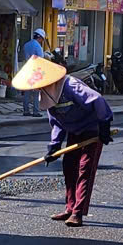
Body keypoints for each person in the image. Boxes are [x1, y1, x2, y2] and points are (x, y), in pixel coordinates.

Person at [11, 54, 113, 227]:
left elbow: (97, 100)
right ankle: (69, 207)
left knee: (85, 169)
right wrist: (55, 145)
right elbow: (57, 122)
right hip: (74, 131)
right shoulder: (47, 94)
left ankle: (77, 212)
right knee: (69, 166)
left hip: (92, 129)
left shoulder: (69, 85)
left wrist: (104, 125)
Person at [18, 27, 49, 116]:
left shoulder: (26, 45)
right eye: (42, 39)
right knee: (36, 93)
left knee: (27, 92)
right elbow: (41, 61)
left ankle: (26, 111)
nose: (42, 41)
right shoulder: (38, 47)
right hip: (36, 71)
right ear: (40, 38)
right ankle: (36, 111)